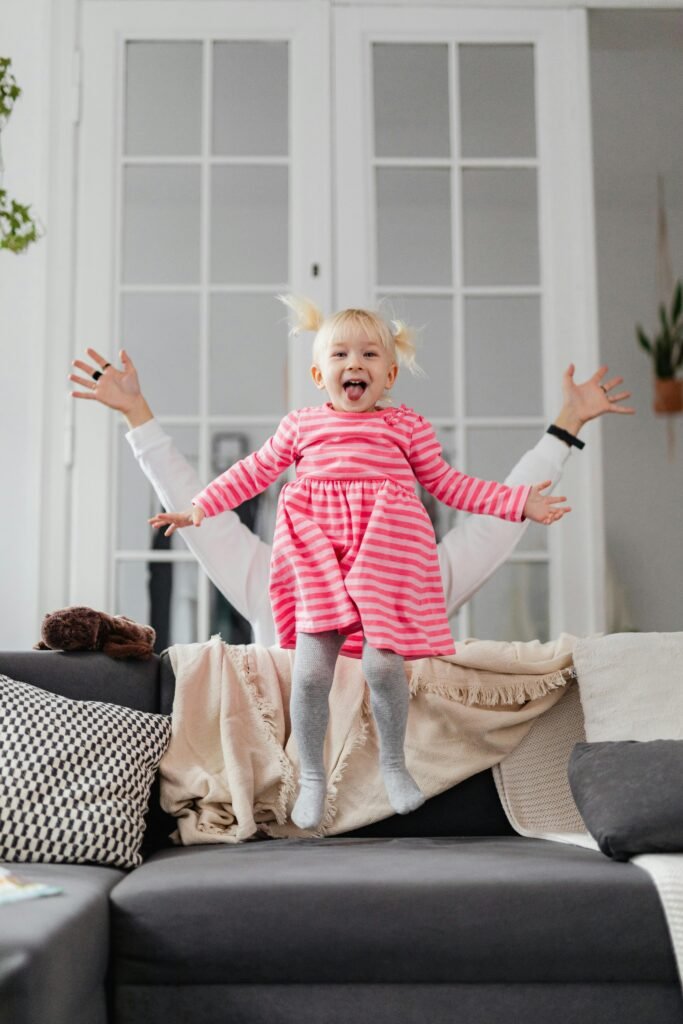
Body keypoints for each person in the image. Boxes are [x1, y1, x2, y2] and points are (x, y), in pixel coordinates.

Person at [68, 323, 634, 830]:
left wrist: (568, 424)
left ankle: (386, 770)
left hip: (398, 787)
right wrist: (136, 414)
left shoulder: (418, 578)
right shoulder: (273, 577)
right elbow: (203, 507)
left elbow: (491, 518)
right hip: (297, 786)